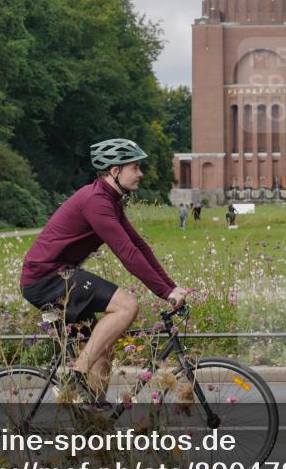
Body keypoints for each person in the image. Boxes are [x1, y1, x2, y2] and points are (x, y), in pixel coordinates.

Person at [20, 138, 186, 412]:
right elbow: (126, 253)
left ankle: (92, 422)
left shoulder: (109, 200)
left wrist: (171, 286)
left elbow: (139, 246)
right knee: (127, 305)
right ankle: (77, 374)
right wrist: (165, 292)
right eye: (135, 167)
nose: (141, 173)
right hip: (47, 278)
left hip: (59, 276)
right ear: (115, 171)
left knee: (103, 348)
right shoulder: (96, 201)